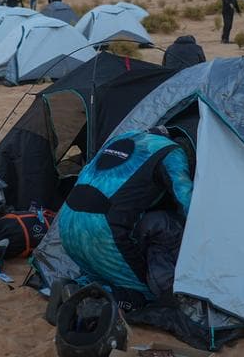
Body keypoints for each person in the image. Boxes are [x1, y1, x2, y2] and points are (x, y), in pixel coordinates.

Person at [57, 128, 193, 304]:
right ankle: (94, 300)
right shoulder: (172, 152)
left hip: (66, 220)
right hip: (102, 227)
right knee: (145, 297)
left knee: (98, 275)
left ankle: (74, 288)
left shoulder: (124, 137)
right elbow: (185, 198)